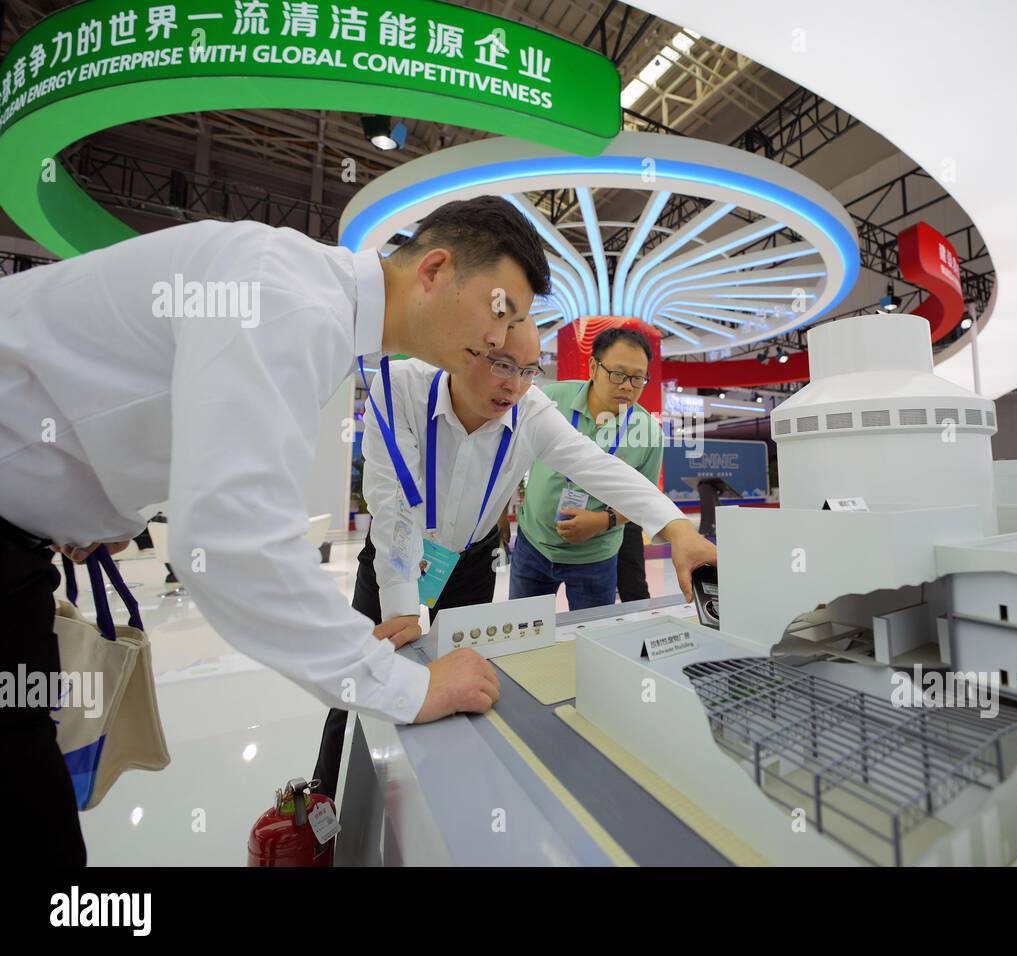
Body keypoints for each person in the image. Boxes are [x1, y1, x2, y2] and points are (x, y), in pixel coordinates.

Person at [0, 195, 546, 865]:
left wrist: (105, 511)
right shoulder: (287, 296)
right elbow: (236, 539)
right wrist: (410, 687)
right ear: (434, 269)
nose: (501, 340)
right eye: (501, 312)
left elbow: (147, 413)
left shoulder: (313, 309)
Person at [311, 321, 716, 797]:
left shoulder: (531, 409)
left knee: (463, 679)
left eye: (528, 370)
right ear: (462, 351)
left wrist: (678, 528)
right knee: (361, 677)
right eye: (502, 365)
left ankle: (450, 792)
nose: (515, 385)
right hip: (395, 555)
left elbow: (598, 466)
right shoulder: (402, 385)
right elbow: (393, 501)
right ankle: (324, 797)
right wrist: (401, 606)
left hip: (470, 564)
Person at [509, 327, 671, 610]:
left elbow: (646, 499)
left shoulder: (648, 431)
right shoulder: (551, 400)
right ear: (594, 367)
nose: (627, 386)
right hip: (533, 546)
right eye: (618, 374)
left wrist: (603, 521)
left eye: (637, 378)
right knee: (524, 637)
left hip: (596, 558)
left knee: (592, 640)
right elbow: (511, 452)